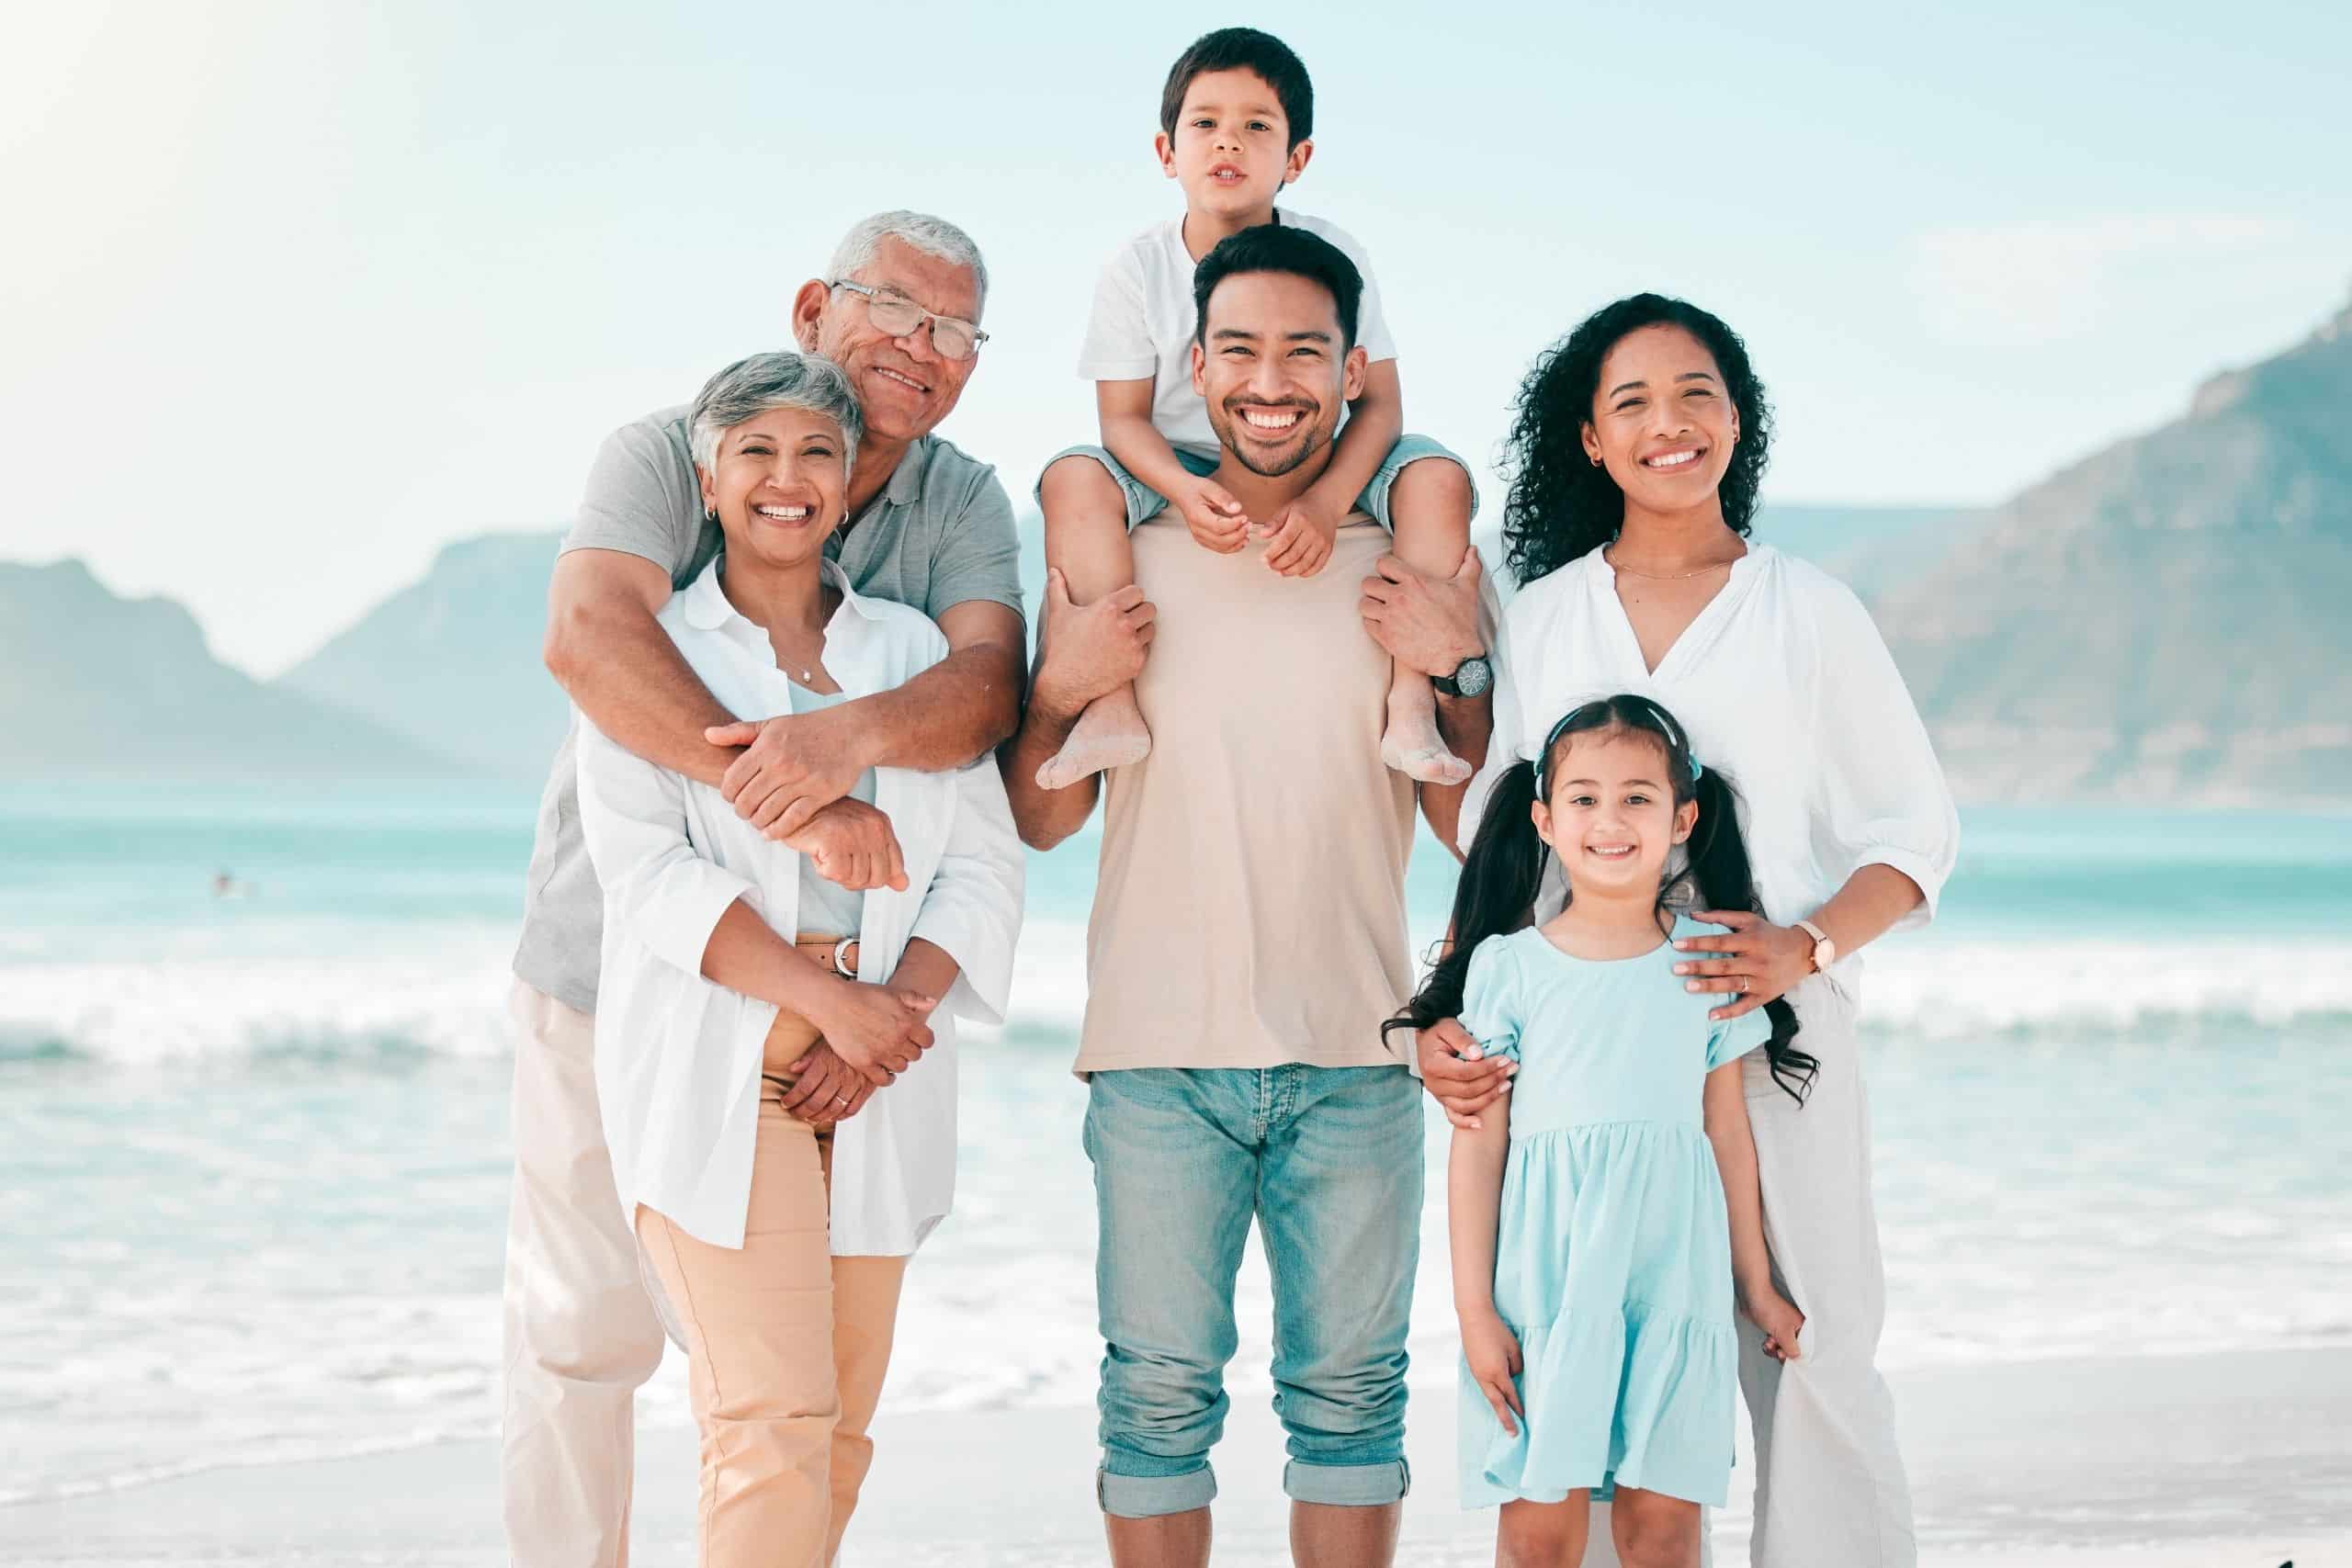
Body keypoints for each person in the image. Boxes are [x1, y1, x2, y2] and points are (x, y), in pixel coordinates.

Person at [502, 211, 1026, 1568]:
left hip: (870, 1033)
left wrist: (883, 1000)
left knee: (822, 1416)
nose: (922, 346)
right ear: (814, 306)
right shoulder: (666, 454)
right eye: (894, 309)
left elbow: (979, 713)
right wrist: (810, 798)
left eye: (955, 328)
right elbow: (590, 642)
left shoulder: (951, 523)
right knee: (592, 1341)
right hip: (629, 978)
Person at [1413, 295, 1961, 1567]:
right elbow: (1499, 834)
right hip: (1578, 1042)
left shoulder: (1807, 609)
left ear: (1739, 418)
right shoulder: (1543, 613)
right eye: (1633, 402)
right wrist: (1445, 1021)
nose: (1671, 422)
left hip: (1768, 1033)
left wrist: (1802, 945)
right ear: (1591, 441)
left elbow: (1915, 836)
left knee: (1810, 1336)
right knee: (1591, 1352)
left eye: (1698, 392)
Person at [1003, 224, 1436, 1568]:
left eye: (1305, 350)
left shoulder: (1398, 562)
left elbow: (1485, 826)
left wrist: (1462, 665)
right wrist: (1064, 687)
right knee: (1152, 1402)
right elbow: (1039, 812)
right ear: (1195, 366)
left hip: (1359, 1053)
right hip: (1156, 1059)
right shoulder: (1122, 562)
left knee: (1355, 1402)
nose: (1270, 378)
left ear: (1349, 371)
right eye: (1238, 349)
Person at [1389, 695, 1807, 1568]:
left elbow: (1725, 1133)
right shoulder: (1509, 966)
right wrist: (1473, 1310)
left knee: (1662, 1529)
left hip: (1672, 1283)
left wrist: (1755, 1284)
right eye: (1582, 798)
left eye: (1636, 798)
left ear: (1682, 817)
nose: (1608, 820)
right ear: (1543, 818)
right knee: (1540, 1530)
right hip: (1545, 1286)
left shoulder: (1705, 957)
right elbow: (1479, 1144)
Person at [1032, 26, 1482, 793]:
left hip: (1316, 450)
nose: (1227, 143)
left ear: (1296, 159)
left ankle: (1410, 700)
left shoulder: (1331, 252)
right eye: (1204, 124)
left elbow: (1381, 406)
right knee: (1072, 479)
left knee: (1437, 477)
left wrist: (1324, 500)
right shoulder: (1137, 267)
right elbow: (1123, 421)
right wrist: (1181, 489)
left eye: (1256, 126)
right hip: (1177, 460)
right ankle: (1110, 705)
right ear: (1166, 152)